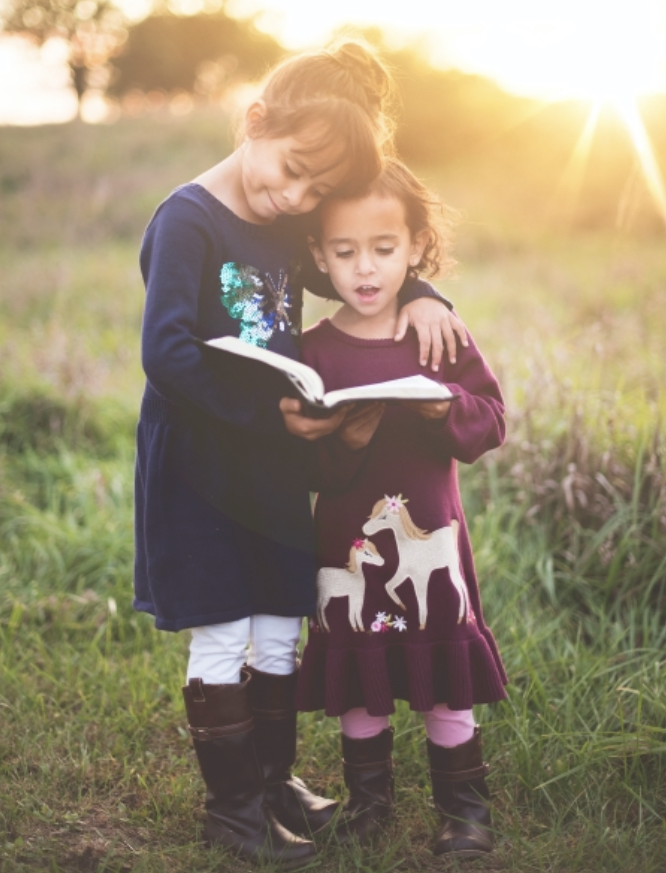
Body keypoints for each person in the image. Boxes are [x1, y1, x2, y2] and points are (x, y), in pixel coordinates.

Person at [133, 42, 467, 866]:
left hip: (273, 465)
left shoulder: (285, 224)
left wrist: (423, 291)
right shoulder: (187, 219)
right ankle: (233, 812)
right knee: (223, 628)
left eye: (316, 191)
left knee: (281, 624)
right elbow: (165, 352)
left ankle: (274, 782)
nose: (296, 198)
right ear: (255, 122)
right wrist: (267, 414)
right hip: (201, 465)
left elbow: (354, 266)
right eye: (292, 171)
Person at [295, 158, 508, 859]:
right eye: (344, 251)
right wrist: (345, 442)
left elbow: (491, 421)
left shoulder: (437, 332)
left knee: (446, 678)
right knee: (361, 674)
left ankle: (464, 810)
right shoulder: (313, 352)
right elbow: (301, 467)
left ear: (415, 247)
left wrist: (445, 407)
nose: (365, 268)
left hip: (432, 538)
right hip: (348, 544)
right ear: (319, 255)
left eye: (384, 249)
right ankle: (369, 804)